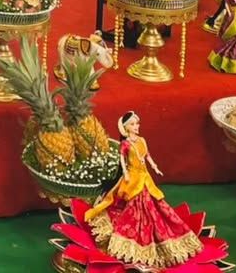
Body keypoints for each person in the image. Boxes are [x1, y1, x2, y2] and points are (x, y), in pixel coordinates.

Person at [80, 111, 204, 269]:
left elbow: (148, 156)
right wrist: (125, 173)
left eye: (137, 123)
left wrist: (155, 167)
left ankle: (158, 232)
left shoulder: (142, 141)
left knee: (154, 201)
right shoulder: (126, 144)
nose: (136, 126)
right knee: (136, 202)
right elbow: (122, 160)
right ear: (126, 127)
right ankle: (135, 236)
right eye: (133, 124)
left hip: (144, 176)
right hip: (132, 178)